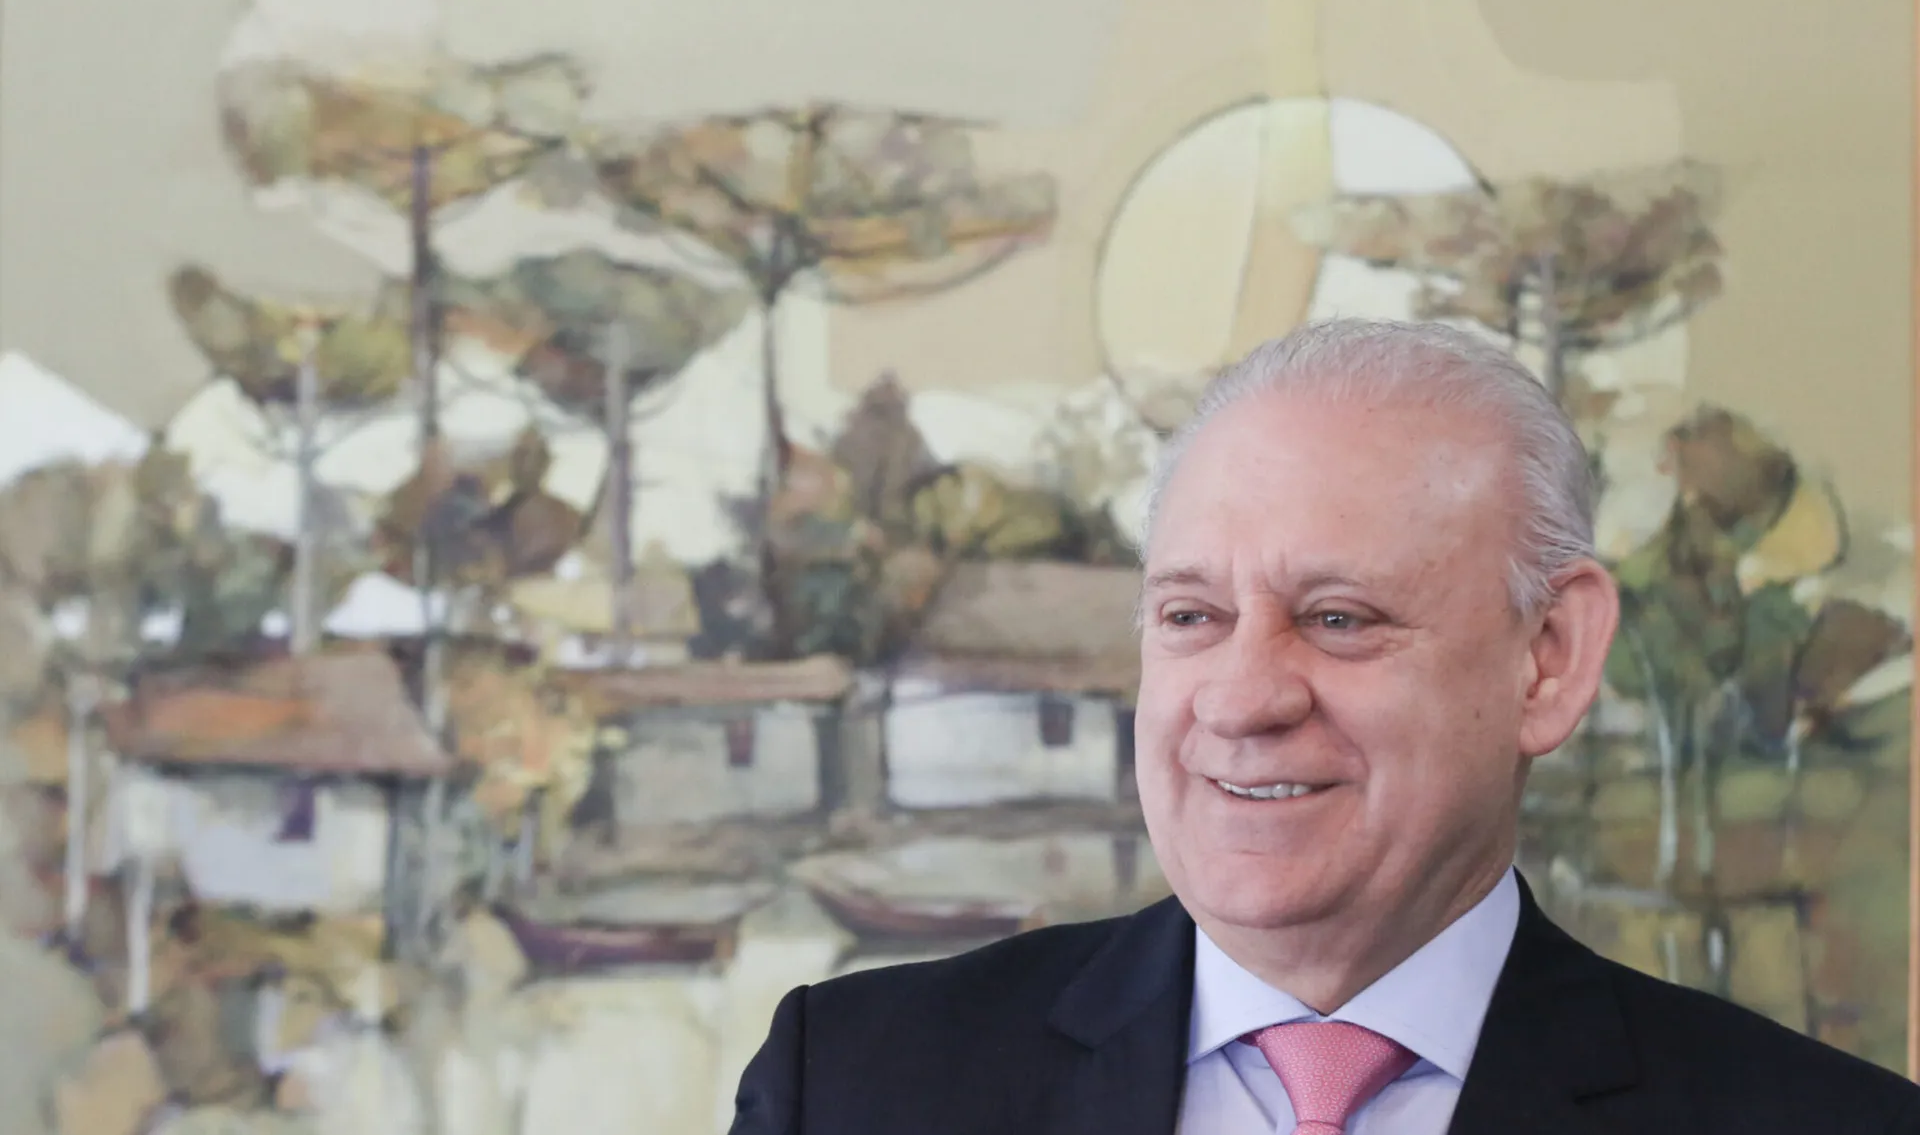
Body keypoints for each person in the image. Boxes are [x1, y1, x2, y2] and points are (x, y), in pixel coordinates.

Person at [727, 318, 1920, 1134]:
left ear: (1549, 659)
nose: (1242, 698)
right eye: (1192, 616)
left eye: (1339, 619)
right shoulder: (854, 1087)